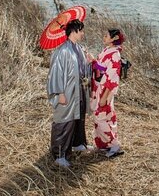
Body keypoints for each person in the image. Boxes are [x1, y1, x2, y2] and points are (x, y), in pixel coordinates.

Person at [47, 19, 93, 167]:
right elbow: (55, 73)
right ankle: (59, 154)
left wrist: (89, 62)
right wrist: (59, 92)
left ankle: (78, 143)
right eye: (81, 31)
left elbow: (82, 68)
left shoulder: (78, 48)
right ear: (74, 31)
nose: (83, 34)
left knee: (78, 117)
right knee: (64, 120)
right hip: (67, 90)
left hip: (79, 89)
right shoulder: (62, 51)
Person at [90, 28, 124, 158]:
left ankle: (114, 145)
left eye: (106, 36)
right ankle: (105, 144)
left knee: (100, 117)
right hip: (100, 87)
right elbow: (102, 68)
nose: (103, 37)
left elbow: (113, 77)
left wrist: (105, 96)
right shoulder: (107, 50)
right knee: (105, 116)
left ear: (114, 39)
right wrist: (93, 61)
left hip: (106, 90)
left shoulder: (115, 54)